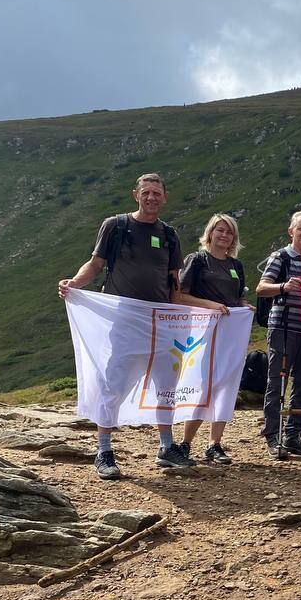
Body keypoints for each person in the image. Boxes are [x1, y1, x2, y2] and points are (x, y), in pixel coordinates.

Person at [57, 172, 190, 479]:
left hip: (161, 322)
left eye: (157, 193)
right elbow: (96, 264)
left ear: (165, 197)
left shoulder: (169, 234)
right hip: (125, 320)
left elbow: (174, 283)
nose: (152, 197)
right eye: (146, 192)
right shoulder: (116, 226)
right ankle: (103, 450)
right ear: (136, 194)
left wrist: (193, 316)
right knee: (114, 383)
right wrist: (74, 283)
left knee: (166, 388)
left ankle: (166, 447)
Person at [169, 213, 251, 464]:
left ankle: (215, 444)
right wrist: (210, 305)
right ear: (210, 233)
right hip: (201, 332)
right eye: (220, 230)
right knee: (201, 383)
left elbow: (236, 299)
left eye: (229, 232)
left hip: (230, 334)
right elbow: (179, 296)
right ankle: (185, 443)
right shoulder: (198, 260)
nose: (224, 236)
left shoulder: (236, 266)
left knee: (226, 384)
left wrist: (244, 307)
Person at [255, 210, 301, 458]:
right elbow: (261, 288)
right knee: (278, 382)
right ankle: (272, 436)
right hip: (283, 329)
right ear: (291, 231)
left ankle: (294, 435)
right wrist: (283, 287)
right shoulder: (280, 257)